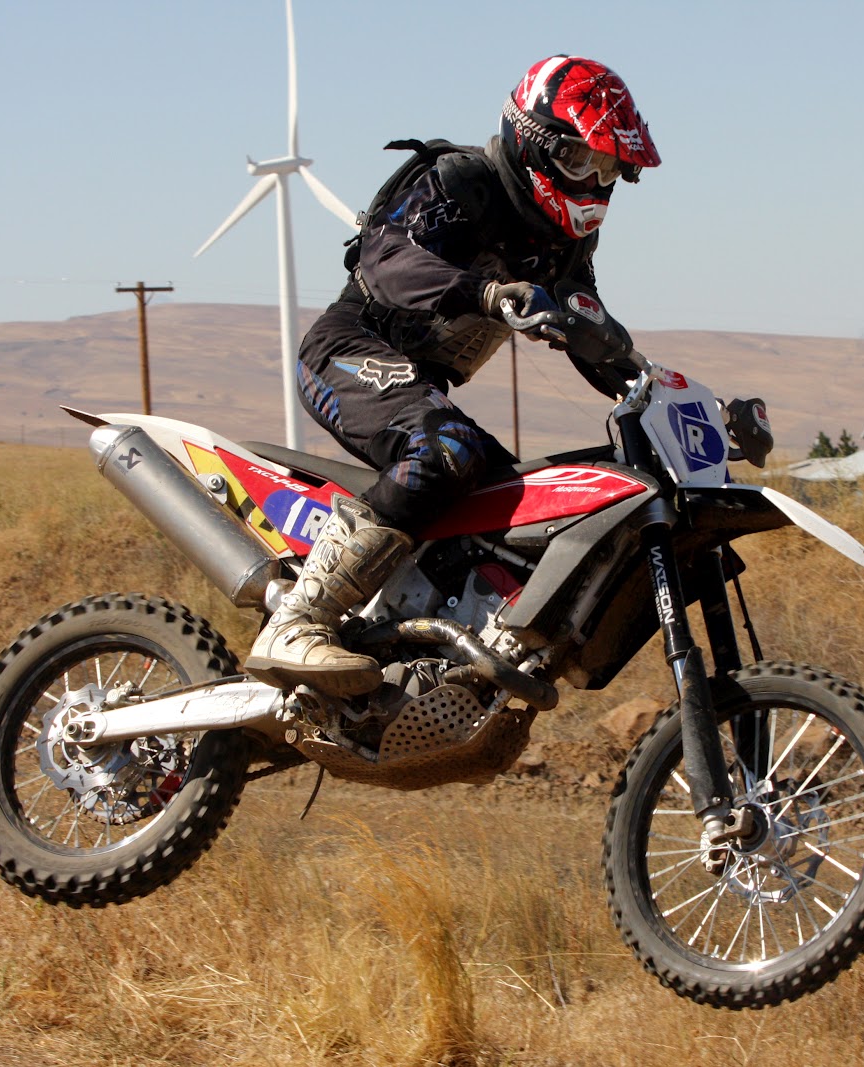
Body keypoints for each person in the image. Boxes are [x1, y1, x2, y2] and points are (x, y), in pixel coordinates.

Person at [245, 55, 661, 697]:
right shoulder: (462, 181)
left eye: (608, 169)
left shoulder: (565, 243)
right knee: (447, 450)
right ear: (534, 141)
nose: (595, 183)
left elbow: (588, 331)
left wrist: (661, 391)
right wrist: (486, 293)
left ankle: (422, 668)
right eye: (582, 160)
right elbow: (386, 261)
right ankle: (298, 620)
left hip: (418, 384)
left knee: (521, 503)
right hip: (348, 349)